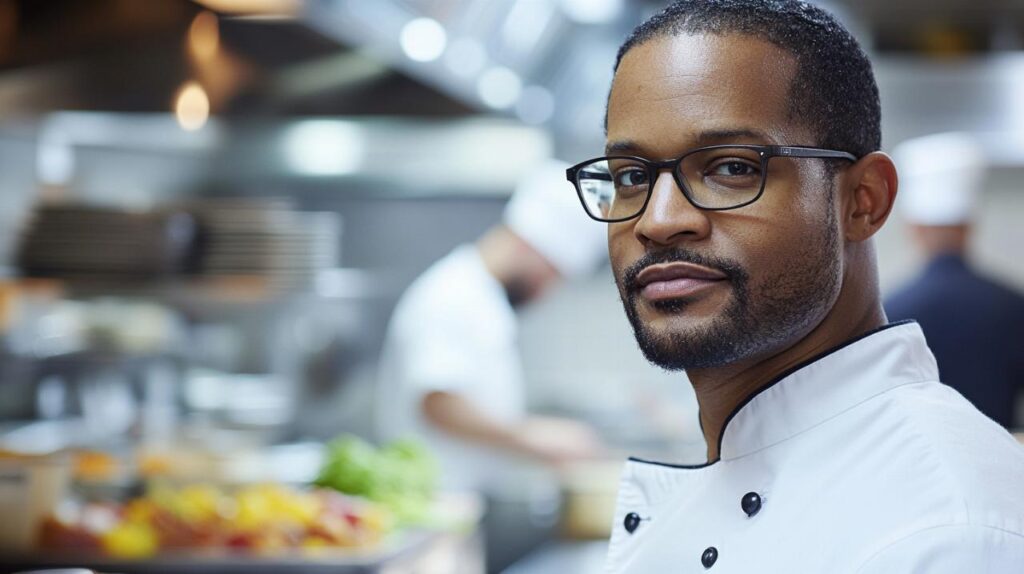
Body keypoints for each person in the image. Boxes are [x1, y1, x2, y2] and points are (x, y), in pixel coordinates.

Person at [563, 1, 1024, 571]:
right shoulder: (752, 456)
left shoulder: (942, 534)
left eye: (732, 167)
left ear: (864, 201)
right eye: (631, 177)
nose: (657, 221)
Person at [375, 160, 608, 493]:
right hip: (434, 501)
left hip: (459, 500)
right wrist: (534, 437)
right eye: (549, 275)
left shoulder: (482, 298)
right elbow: (438, 402)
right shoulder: (453, 295)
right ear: (527, 246)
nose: (545, 292)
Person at [885, 132, 1024, 428]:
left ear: (914, 227)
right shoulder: (1013, 305)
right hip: (1003, 465)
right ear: (970, 225)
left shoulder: (891, 312)